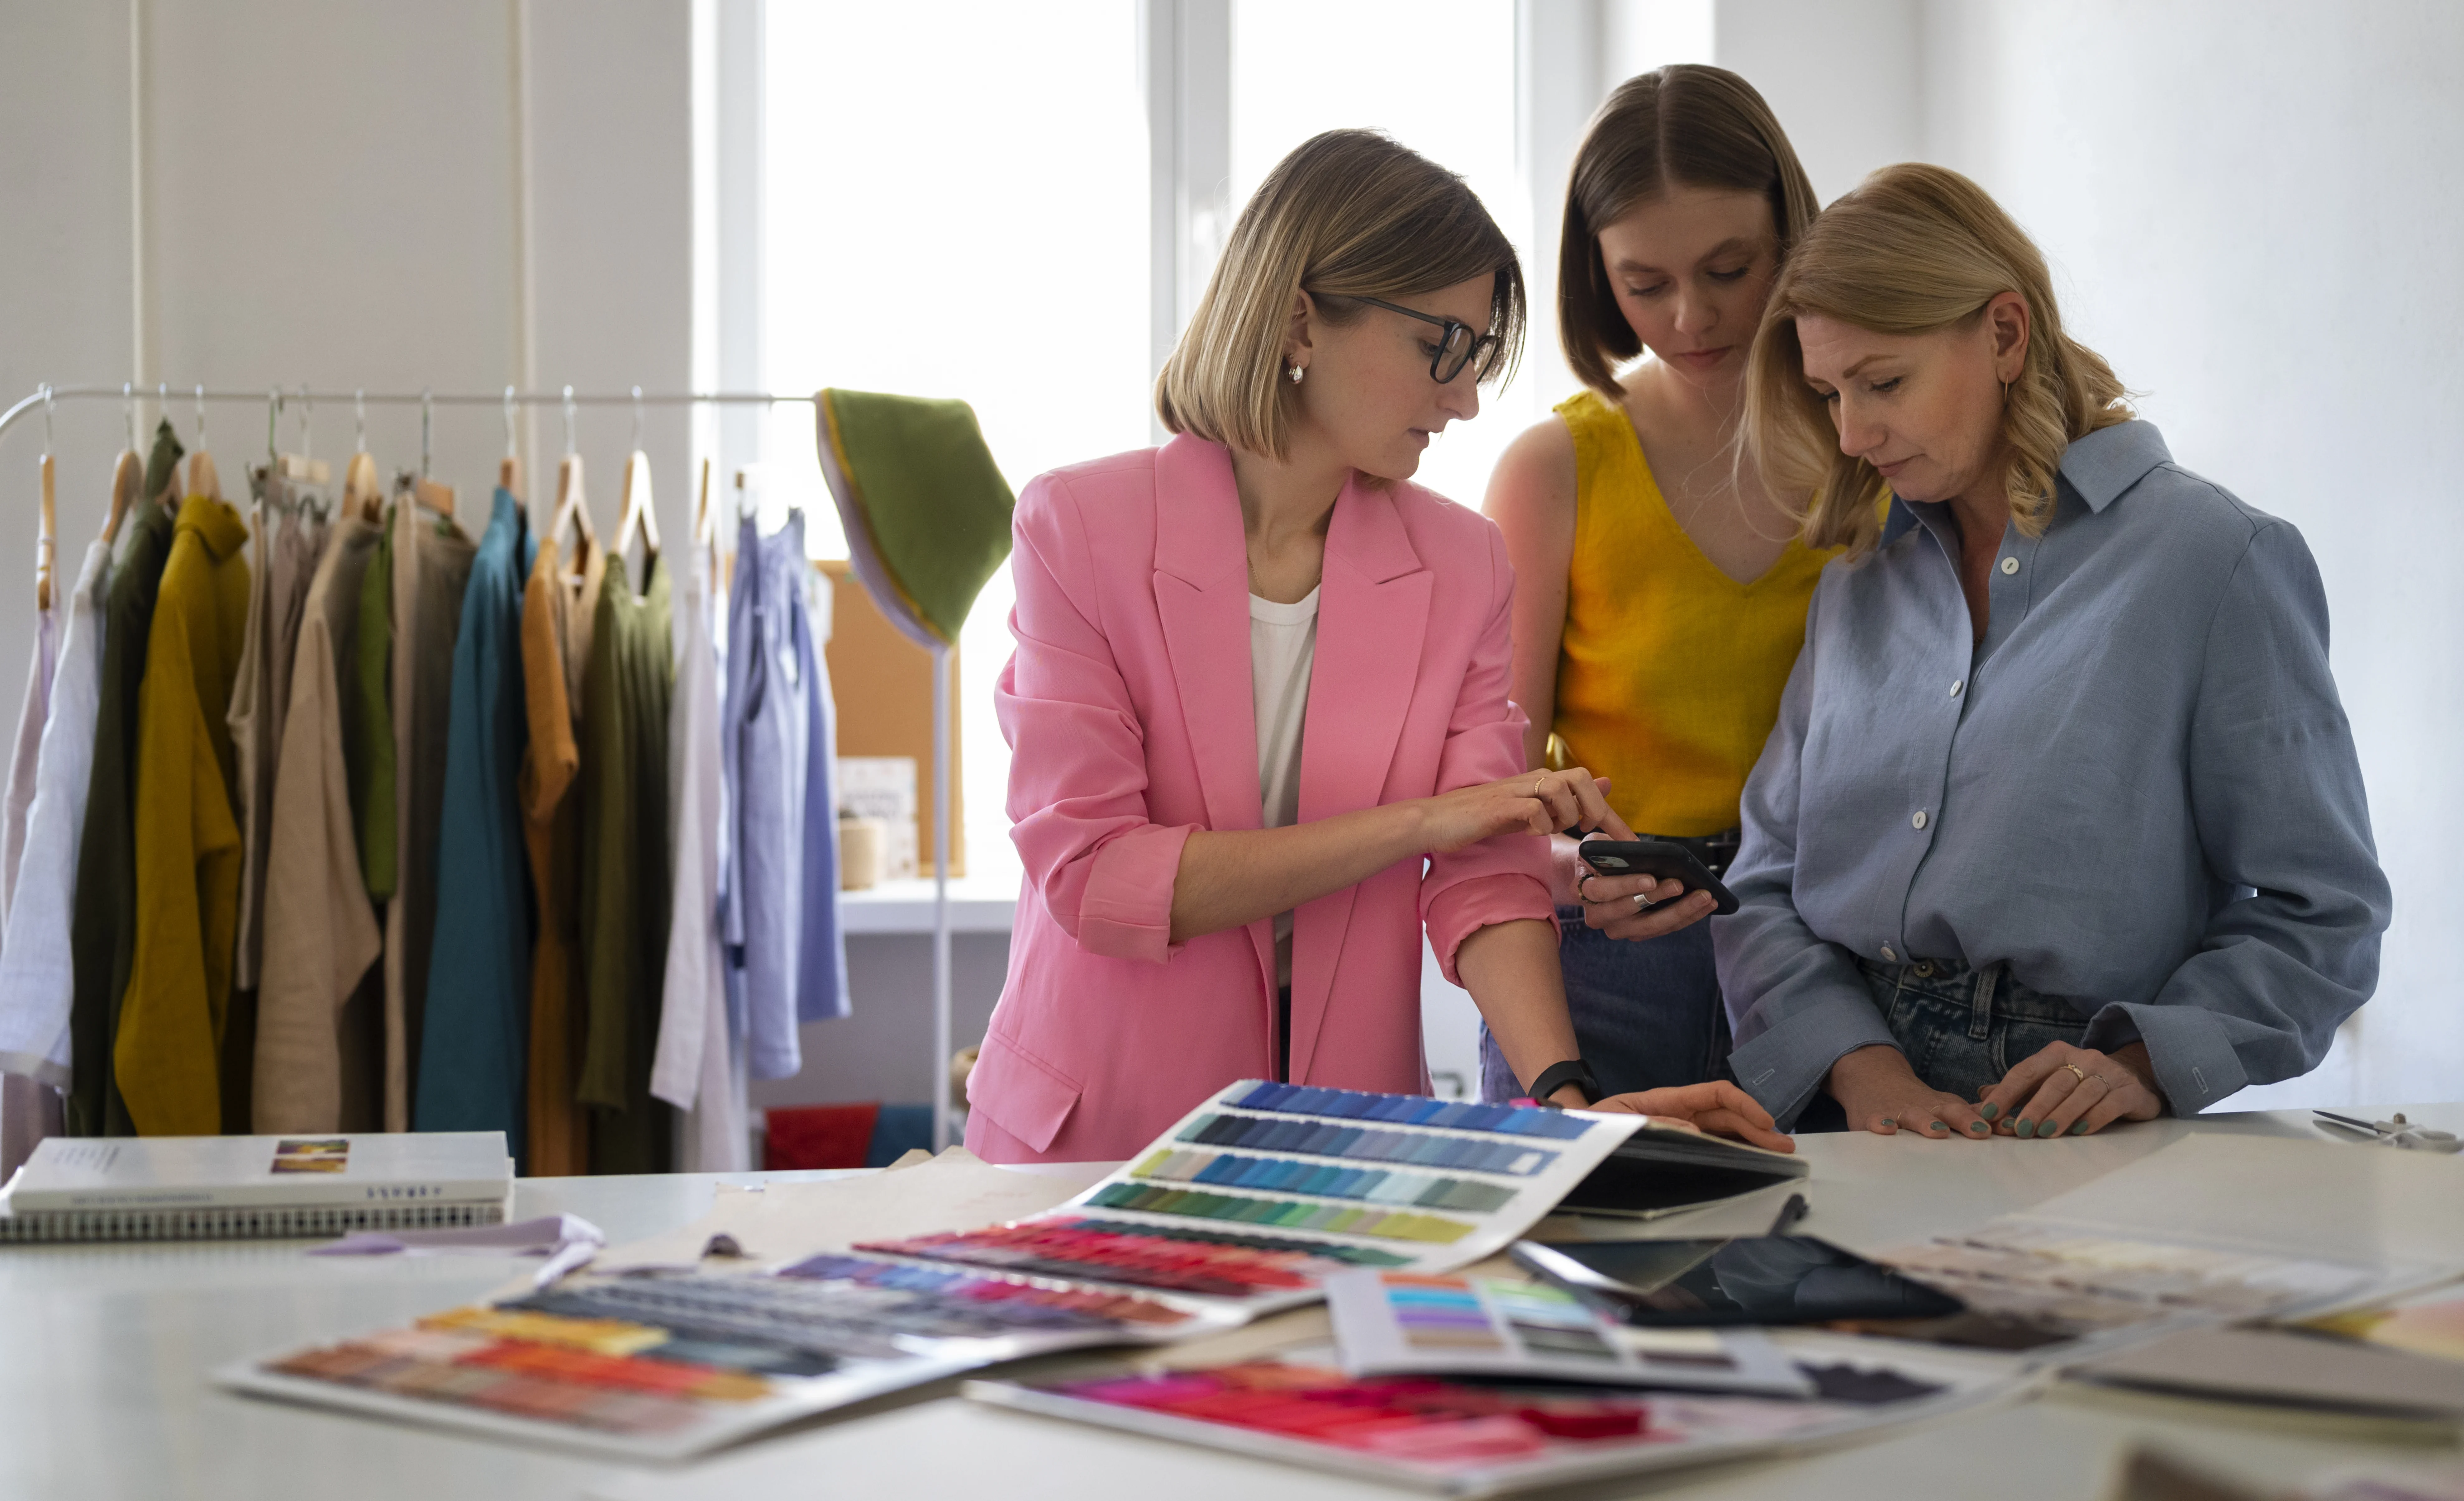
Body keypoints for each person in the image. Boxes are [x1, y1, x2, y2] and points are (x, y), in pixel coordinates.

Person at [964, 130, 1790, 1164]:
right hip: (1096, 1138)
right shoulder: (1079, 527)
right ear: (1301, 314)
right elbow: (1099, 878)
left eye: (1478, 354)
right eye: (1441, 346)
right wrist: (1426, 821)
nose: (1465, 397)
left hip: (1348, 1138)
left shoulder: (1464, 565)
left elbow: (1482, 873)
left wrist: (1565, 1099)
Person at [1722, 162, 2389, 1139]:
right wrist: (1864, 1073)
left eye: (1883, 382)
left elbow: (2320, 910)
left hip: (2080, 1119)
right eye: (1829, 393)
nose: (1855, 433)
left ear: (2002, 332)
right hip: (1847, 1107)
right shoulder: (1858, 586)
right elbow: (1763, 880)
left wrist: (2141, 1065)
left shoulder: (2212, 559)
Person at [1477, 66, 1842, 1103]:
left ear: (1791, 237)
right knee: (1576, 1259)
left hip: (1828, 952)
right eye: (1645, 285)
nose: (1692, 316)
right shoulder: (1552, 469)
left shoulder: (1869, 446)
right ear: (1595, 276)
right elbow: (1491, 792)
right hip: (1599, 956)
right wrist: (1572, 867)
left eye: (1732, 268)